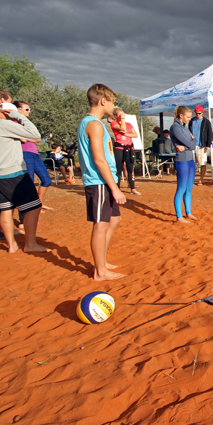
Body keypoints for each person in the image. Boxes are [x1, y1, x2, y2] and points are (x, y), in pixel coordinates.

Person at [0, 101, 47, 253]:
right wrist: (17, 116)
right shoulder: (3, 125)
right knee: (34, 207)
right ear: (7, 113)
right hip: (14, 172)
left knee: (5, 208)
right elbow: (35, 134)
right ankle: (30, 244)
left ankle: (12, 245)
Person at [77, 84, 126, 281]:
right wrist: (114, 188)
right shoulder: (94, 124)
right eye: (113, 102)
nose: (114, 106)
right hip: (98, 182)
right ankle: (100, 271)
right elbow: (99, 159)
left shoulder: (96, 123)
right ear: (103, 101)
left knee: (114, 219)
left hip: (106, 180)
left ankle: (102, 262)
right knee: (101, 224)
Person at [12, 101, 53, 229]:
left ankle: (38, 204)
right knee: (28, 184)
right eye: (27, 109)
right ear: (17, 110)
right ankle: (23, 219)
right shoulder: (13, 123)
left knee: (46, 180)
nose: (29, 111)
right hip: (24, 154)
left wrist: (29, 137)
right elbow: (23, 139)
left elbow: (39, 138)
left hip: (34, 154)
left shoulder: (26, 124)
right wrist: (30, 137)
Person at [169, 106, 198, 223]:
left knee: (189, 188)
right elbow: (190, 143)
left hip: (190, 159)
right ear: (181, 115)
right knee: (181, 188)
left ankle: (188, 212)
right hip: (182, 160)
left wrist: (192, 142)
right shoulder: (175, 127)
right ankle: (179, 216)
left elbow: (193, 142)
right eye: (188, 117)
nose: (190, 119)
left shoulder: (185, 127)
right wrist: (192, 142)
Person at [110, 107, 140, 195]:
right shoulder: (114, 123)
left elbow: (135, 135)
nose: (122, 116)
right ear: (116, 116)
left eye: (123, 114)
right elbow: (122, 128)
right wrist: (121, 118)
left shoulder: (129, 124)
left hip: (130, 148)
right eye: (120, 115)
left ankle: (132, 188)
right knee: (118, 169)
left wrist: (126, 134)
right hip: (119, 148)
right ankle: (117, 187)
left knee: (130, 168)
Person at [188, 105, 212, 185]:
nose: (197, 114)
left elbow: (209, 134)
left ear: (202, 112)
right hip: (192, 145)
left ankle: (201, 179)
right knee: (191, 163)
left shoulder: (206, 121)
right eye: (196, 113)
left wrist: (208, 145)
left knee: (202, 163)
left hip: (201, 145)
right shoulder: (191, 121)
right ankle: (191, 178)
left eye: (199, 113)